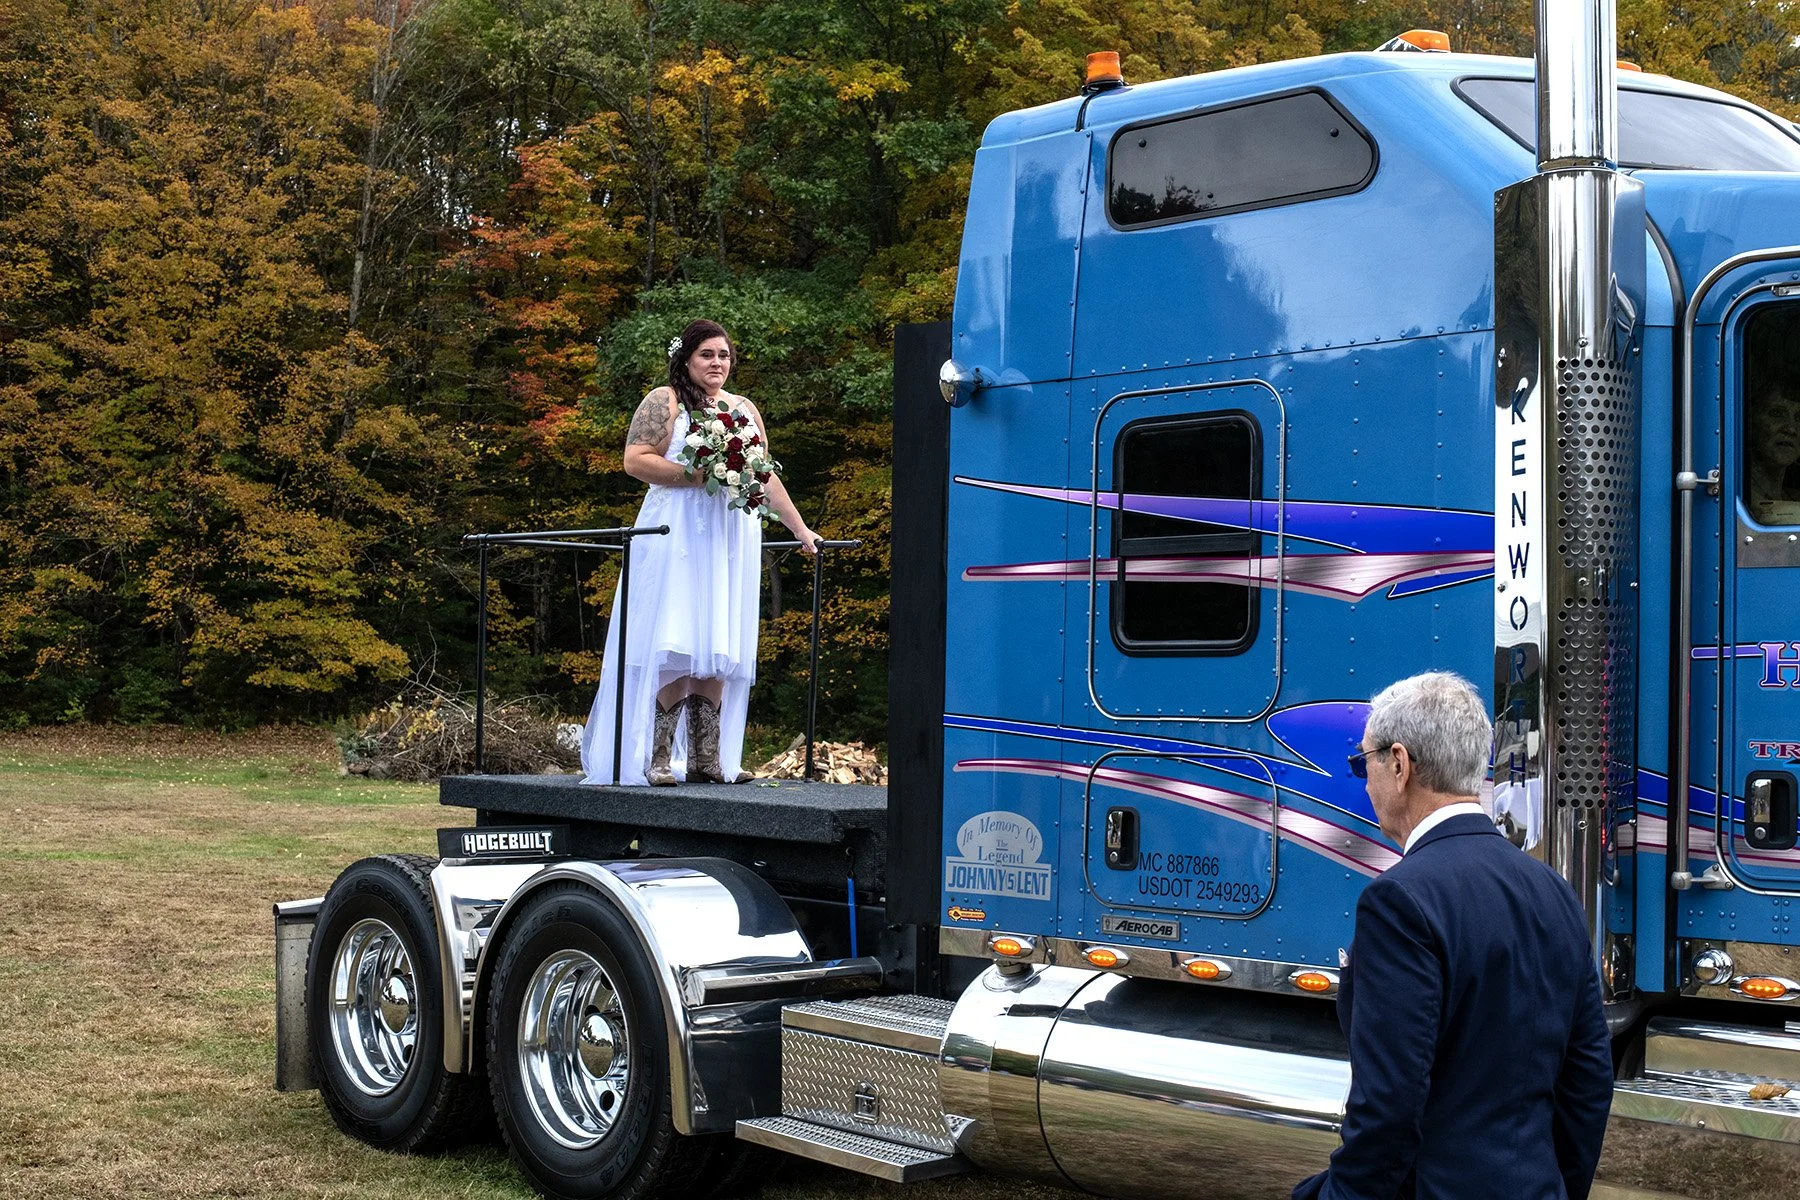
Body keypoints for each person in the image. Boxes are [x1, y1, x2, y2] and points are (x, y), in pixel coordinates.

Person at [1293, 672, 1613, 1200]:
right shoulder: (1552, 890)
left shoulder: (1399, 900)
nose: (1365, 782)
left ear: (1399, 765)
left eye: (1362, 763)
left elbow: (1388, 1110)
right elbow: (1588, 1082)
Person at [579, 320, 821, 786]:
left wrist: (801, 528)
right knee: (677, 633)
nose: (717, 363)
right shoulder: (664, 400)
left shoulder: (743, 409)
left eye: (724, 355)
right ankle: (657, 755)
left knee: (718, 639)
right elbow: (635, 460)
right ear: (687, 358)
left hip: (730, 534)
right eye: (707, 355)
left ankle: (706, 758)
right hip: (678, 529)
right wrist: (699, 474)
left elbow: (763, 476)